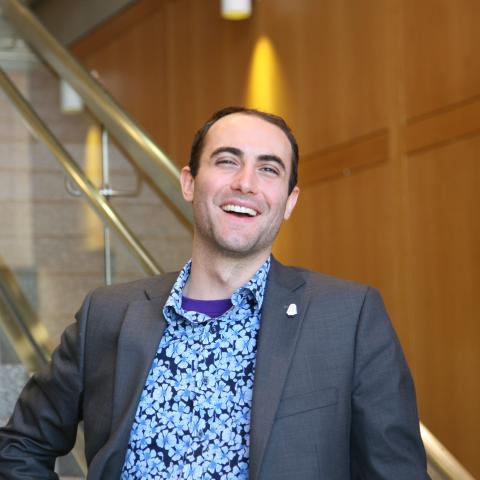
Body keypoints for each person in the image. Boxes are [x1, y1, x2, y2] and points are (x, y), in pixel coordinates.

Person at [0, 106, 429, 479]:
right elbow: (20, 446)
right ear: (189, 182)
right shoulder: (107, 315)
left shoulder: (349, 319)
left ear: (290, 200)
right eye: (227, 161)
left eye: (268, 168)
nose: (246, 183)